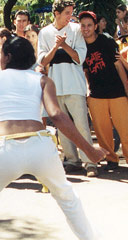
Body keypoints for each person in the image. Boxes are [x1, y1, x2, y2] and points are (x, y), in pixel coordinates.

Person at [0, 36, 107, 240]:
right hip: (40, 145)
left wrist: (1, 129)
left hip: (4, 149)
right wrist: (88, 149)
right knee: (66, 195)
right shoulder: (43, 80)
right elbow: (58, 116)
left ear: (7, 57)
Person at [38, 0, 98, 177]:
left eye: (71, 12)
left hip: (75, 85)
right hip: (55, 86)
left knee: (81, 125)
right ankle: (72, 160)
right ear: (56, 13)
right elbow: (42, 61)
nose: (70, 17)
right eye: (66, 13)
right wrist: (56, 46)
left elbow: (79, 58)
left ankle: (90, 162)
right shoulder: (45, 33)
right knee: (62, 127)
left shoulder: (76, 30)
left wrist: (64, 45)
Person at [79, 11, 128, 171]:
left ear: (95, 26)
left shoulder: (106, 41)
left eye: (89, 25)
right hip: (96, 94)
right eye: (83, 25)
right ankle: (111, 159)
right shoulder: (80, 45)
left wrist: (126, 88)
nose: (86, 29)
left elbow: (118, 65)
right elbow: (85, 71)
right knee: (102, 131)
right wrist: (87, 91)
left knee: (125, 129)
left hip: (116, 91)